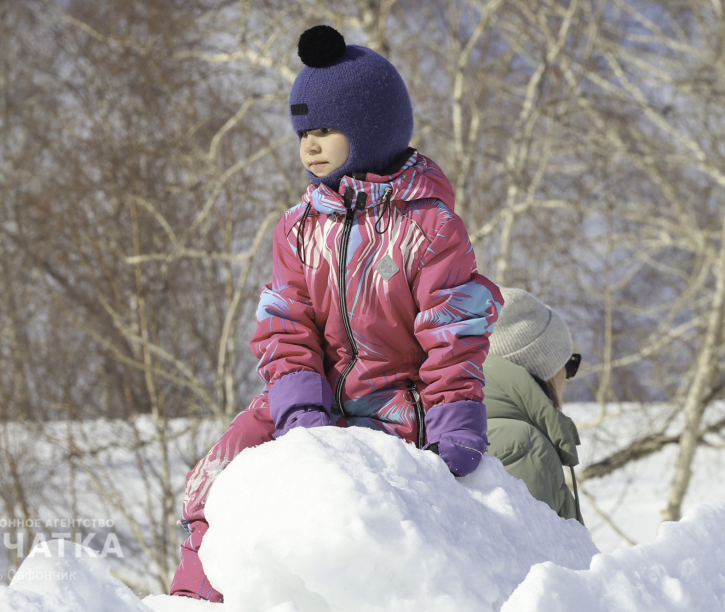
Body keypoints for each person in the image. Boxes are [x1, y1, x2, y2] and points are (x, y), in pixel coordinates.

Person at [169, 25, 503, 601]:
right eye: (303, 133)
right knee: (215, 478)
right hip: (314, 402)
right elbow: (285, 326)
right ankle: (196, 597)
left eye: (325, 130)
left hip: (398, 407)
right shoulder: (298, 229)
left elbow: (452, 330)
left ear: (370, 126)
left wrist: (455, 419)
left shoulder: (429, 227)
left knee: (366, 522)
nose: (310, 145)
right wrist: (300, 411)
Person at [484, 287, 583, 522]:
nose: (568, 378)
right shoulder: (524, 449)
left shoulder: (457, 425)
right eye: (568, 364)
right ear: (543, 370)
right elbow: (543, 557)